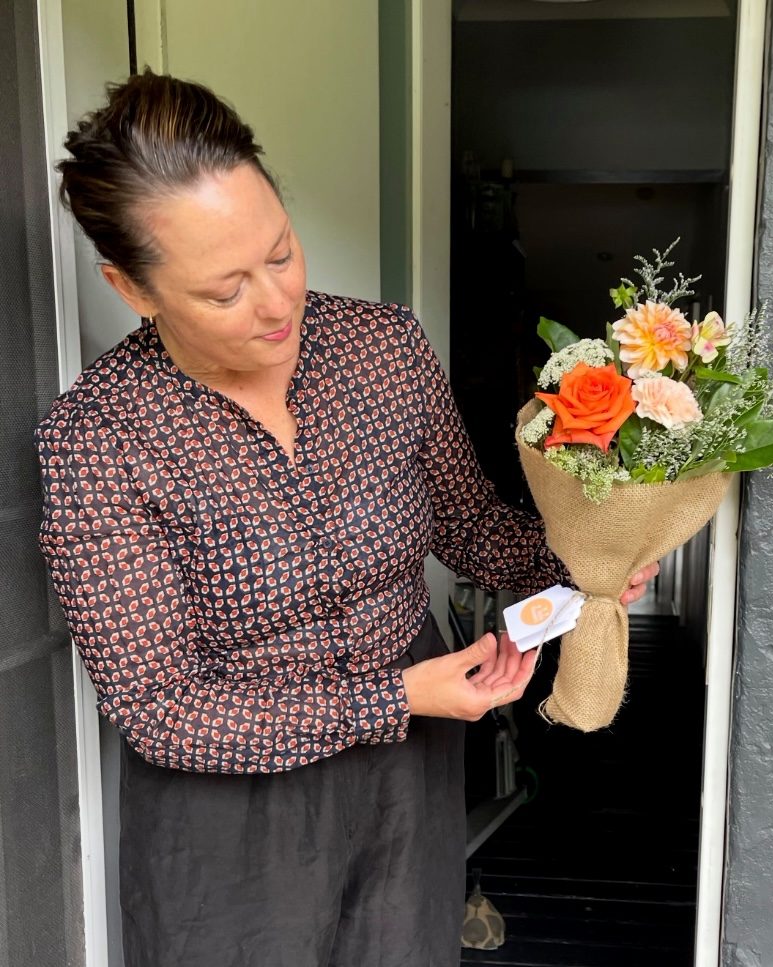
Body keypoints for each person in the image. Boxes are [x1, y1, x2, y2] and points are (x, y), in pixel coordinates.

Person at [35, 70, 658, 967]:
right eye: (225, 290)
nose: (278, 300)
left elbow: (469, 525)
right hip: (231, 805)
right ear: (133, 288)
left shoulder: (381, 347)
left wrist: (583, 564)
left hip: (408, 769)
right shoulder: (97, 437)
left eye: (281, 252)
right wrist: (396, 697)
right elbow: (160, 707)